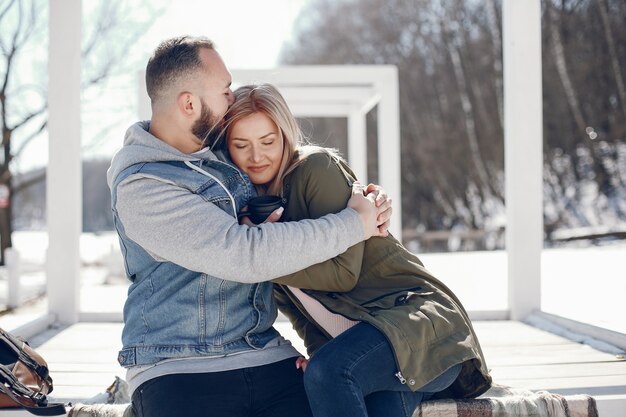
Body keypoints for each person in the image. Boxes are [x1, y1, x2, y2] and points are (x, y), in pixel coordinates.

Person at [107, 36, 392, 417]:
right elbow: (244, 253)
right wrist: (355, 222)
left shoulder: (224, 154)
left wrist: (362, 194)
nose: (231, 98)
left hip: (264, 353)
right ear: (189, 103)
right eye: (224, 90)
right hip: (177, 366)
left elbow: (280, 153)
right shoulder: (143, 186)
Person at [221, 84, 493, 417]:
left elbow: (343, 275)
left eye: (268, 141)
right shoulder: (252, 210)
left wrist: (257, 257)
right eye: (241, 145)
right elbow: (303, 311)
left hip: (419, 328)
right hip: (375, 354)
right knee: (369, 401)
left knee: (328, 372)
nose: (257, 156)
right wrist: (321, 350)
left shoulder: (314, 169)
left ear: (286, 135)